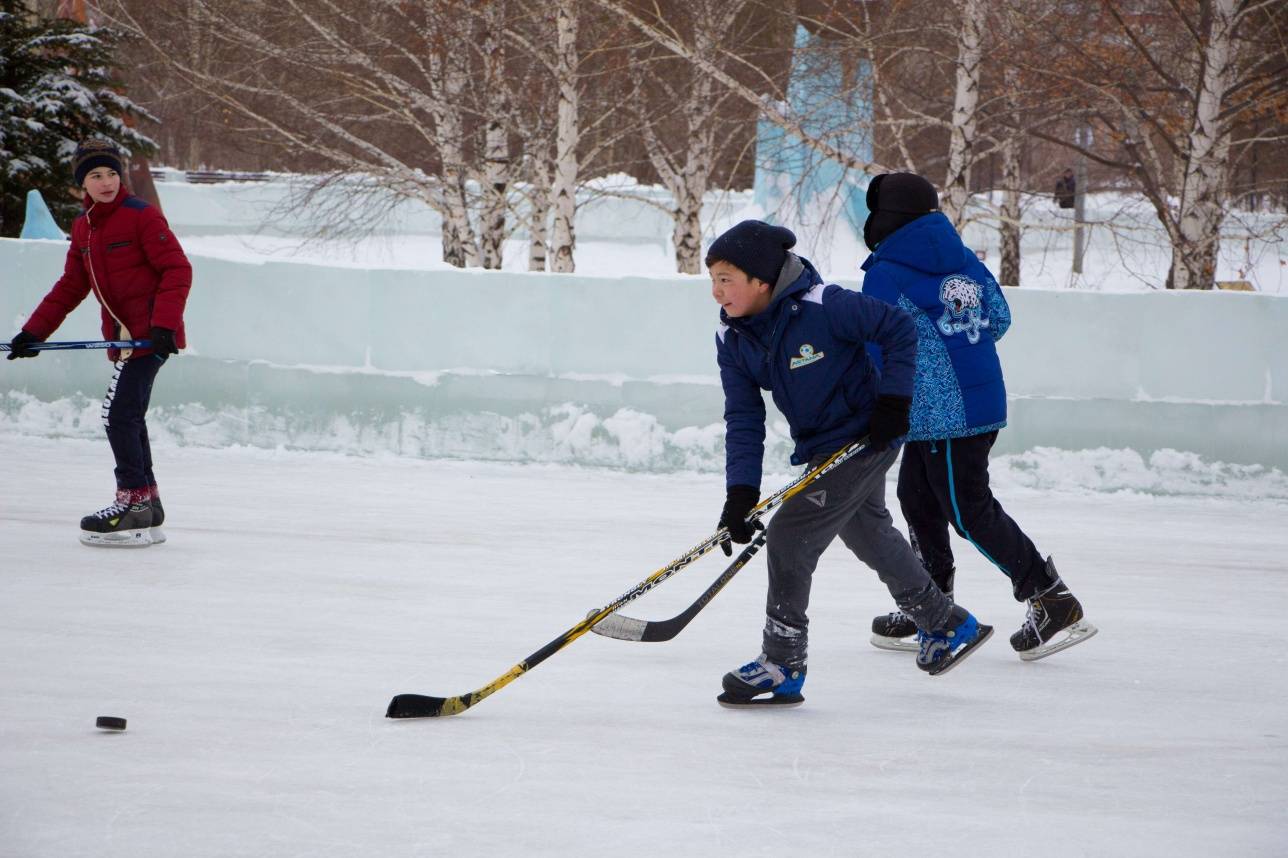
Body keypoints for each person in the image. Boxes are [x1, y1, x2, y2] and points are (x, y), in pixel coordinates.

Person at [707, 219, 992, 707]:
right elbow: (744, 417)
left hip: (868, 435)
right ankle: (946, 623)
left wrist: (893, 404)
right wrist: (740, 494)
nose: (716, 293)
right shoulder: (735, 338)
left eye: (726, 280)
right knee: (868, 532)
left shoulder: (825, 305)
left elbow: (898, 329)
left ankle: (783, 662)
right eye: (711, 280)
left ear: (761, 280)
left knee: (790, 532)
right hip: (824, 448)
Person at [859, 173, 1097, 661]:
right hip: (980, 402)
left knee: (968, 510)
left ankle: (1051, 599)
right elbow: (1000, 319)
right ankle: (931, 607)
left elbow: (875, 345)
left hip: (937, 411)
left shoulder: (886, 269)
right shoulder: (963, 258)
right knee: (918, 501)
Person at [7, 139, 192, 548]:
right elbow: (72, 285)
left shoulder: (142, 217)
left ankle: (133, 503)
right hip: (126, 340)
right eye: (95, 176)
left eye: (111, 173)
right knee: (128, 414)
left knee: (117, 414)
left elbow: (177, 269)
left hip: (150, 336)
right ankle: (147, 502)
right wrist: (35, 333)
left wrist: (164, 325)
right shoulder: (84, 227)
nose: (106, 182)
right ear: (81, 185)